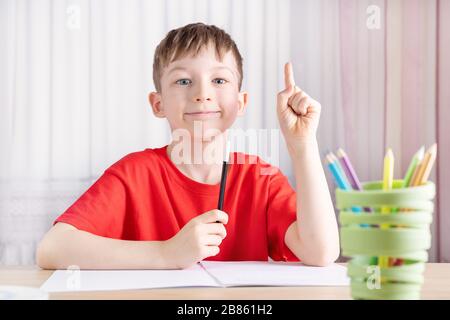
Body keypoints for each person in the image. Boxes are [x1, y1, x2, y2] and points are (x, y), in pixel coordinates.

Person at [36, 23, 339, 270]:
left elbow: (321, 252)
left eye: (219, 80)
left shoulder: (261, 178)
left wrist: (302, 145)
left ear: (241, 102)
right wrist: (166, 254)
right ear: (158, 104)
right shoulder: (134, 174)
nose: (202, 93)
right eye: (183, 81)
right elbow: (52, 248)